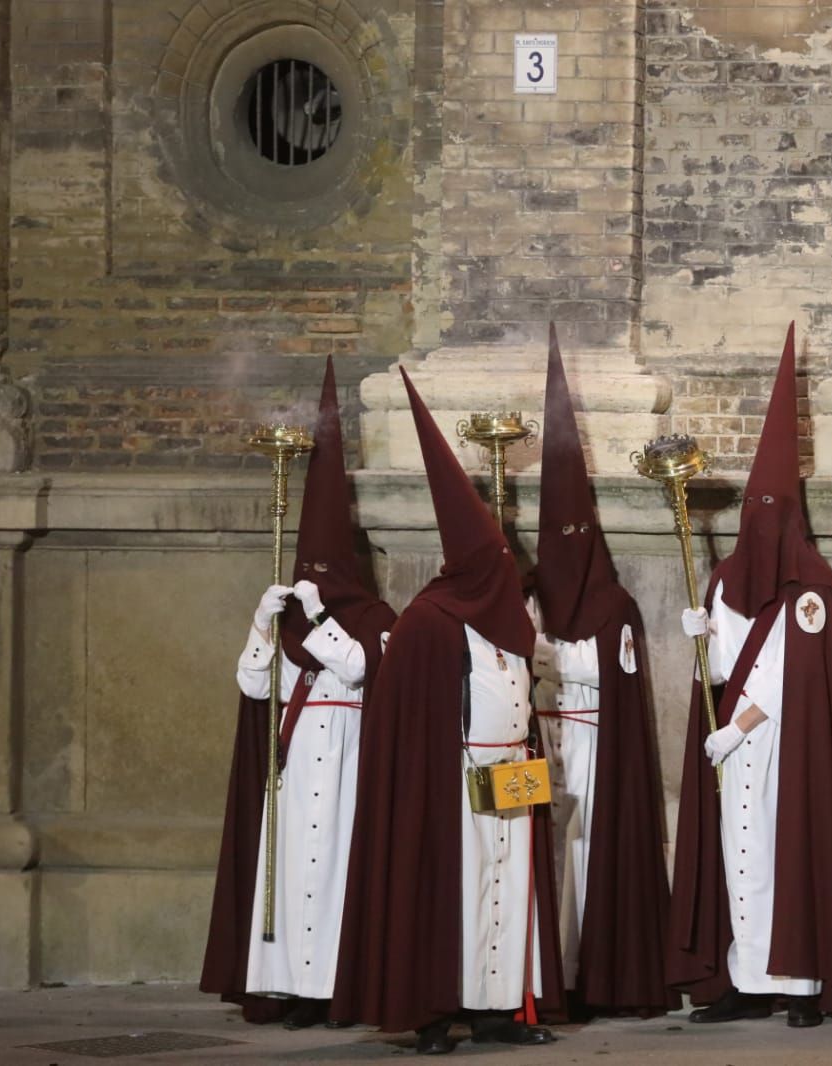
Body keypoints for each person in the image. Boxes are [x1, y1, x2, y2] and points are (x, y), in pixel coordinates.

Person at [330, 368, 562, 1055]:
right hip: (453, 785)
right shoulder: (429, 622)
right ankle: (435, 1010)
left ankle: (497, 1010)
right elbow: (407, 723)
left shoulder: (510, 623)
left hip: (512, 773)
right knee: (453, 895)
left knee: (506, 893)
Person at [667, 323, 832, 1027]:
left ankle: (802, 985)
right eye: (754, 508)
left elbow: (791, 681)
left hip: (784, 747)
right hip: (735, 747)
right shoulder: (724, 579)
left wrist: (735, 730)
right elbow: (724, 668)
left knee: (788, 855)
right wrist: (702, 637)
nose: (761, 520)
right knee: (739, 858)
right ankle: (747, 979)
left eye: (771, 510)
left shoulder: (809, 586)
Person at [200, 357, 396, 1029]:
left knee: (337, 872)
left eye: (324, 566)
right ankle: (290, 988)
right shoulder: (283, 615)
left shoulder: (374, 618)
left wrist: (315, 620)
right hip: (293, 763)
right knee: (289, 878)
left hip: (346, 761)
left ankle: (336, 986)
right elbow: (254, 684)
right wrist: (263, 623)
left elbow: (359, 671)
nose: (313, 575)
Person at [526, 325, 675, 1017]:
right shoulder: (525, 600)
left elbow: (607, 684)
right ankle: (540, 972)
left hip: (588, 744)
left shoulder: (615, 605)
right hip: (541, 740)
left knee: (585, 857)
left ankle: (591, 969)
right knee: (538, 857)